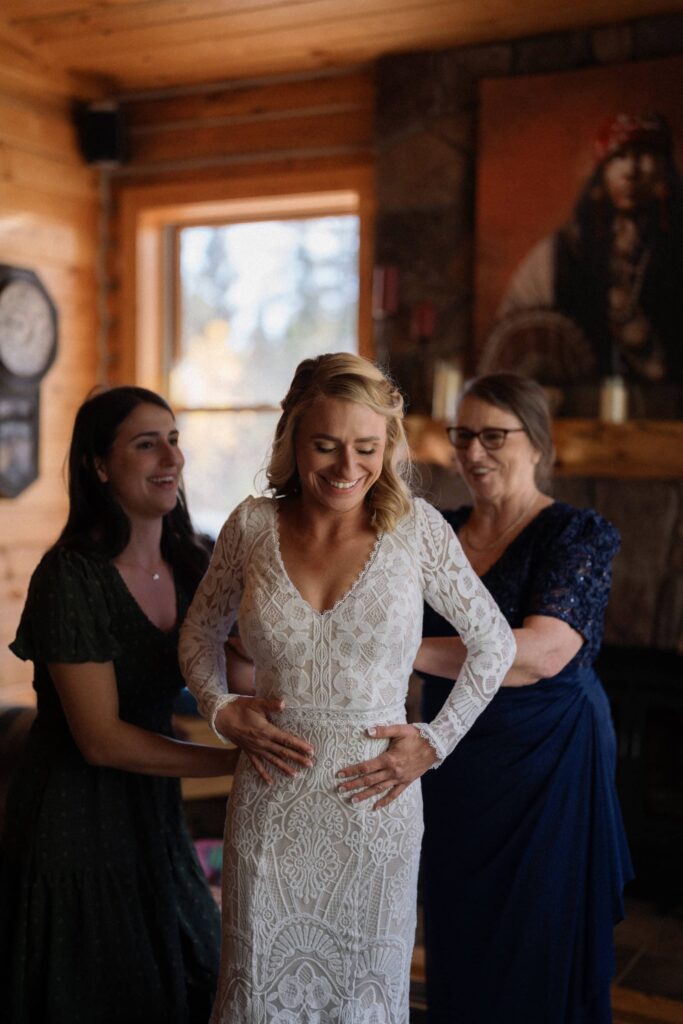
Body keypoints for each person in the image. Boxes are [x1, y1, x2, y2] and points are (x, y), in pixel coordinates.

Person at [178, 352, 516, 1024]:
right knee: (258, 996)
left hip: (376, 811)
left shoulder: (416, 530)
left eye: (366, 447)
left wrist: (434, 742)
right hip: (271, 809)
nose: (345, 467)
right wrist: (221, 708)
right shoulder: (250, 525)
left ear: (387, 447)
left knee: (362, 1000)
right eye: (325, 445)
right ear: (293, 439)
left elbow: (494, 642)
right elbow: (197, 636)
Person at [0, 386, 240, 1024]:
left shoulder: (195, 560)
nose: (171, 457)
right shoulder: (71, 576)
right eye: (145, 443)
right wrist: (235, 764)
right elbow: (100, 738)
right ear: (99, 466)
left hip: (152, 814)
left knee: (201, 973)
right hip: (74, 817)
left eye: (174, 438)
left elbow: (240, 662)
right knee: (98, 993)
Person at [413, 372, 634, 1024]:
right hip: (454, 755)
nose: (473, 452)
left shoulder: (575, 534)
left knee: (535, 937)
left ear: (536, 442)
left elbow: (541, 652)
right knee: (460, 930)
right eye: (462, 435)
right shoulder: (433, 533)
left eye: (492, 436)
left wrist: (404, 654)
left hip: (547, 762)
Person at [485, 112, 683, 417]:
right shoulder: (563, 250)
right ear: (603, 170)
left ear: (663, 169)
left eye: (643, 155)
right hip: (579, 419)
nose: (630, 170)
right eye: (619, 157)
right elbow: (513, 330)